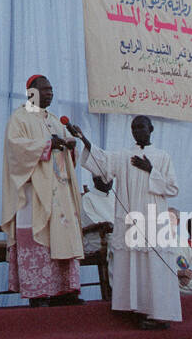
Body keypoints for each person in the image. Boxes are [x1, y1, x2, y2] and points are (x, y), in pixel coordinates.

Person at [68, 114, 181, 328]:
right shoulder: (123, 156)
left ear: (151, 129)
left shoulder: (162, 156)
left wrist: (151, 170)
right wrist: (84, 139)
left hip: (154, 218)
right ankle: (139, 309)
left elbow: (173, 188)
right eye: (134, 127)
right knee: (135, 262)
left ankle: (160, 315)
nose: (137, 131)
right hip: (131, 219)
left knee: (155, 264)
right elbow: (101, 160)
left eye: (142, 127)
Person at [2, 75, 85, 307]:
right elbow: (15, 149)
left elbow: (65, 151)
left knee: (62, 235)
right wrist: (48, 145)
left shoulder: (56, 120)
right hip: (33, 193)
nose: (50, 93)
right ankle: (38, 293)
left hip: (59, 188)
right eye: (45, 89)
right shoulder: (19, 118)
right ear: (31, 92)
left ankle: (65, 292)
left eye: (51, 90)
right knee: (38, 238)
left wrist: (70, 144)